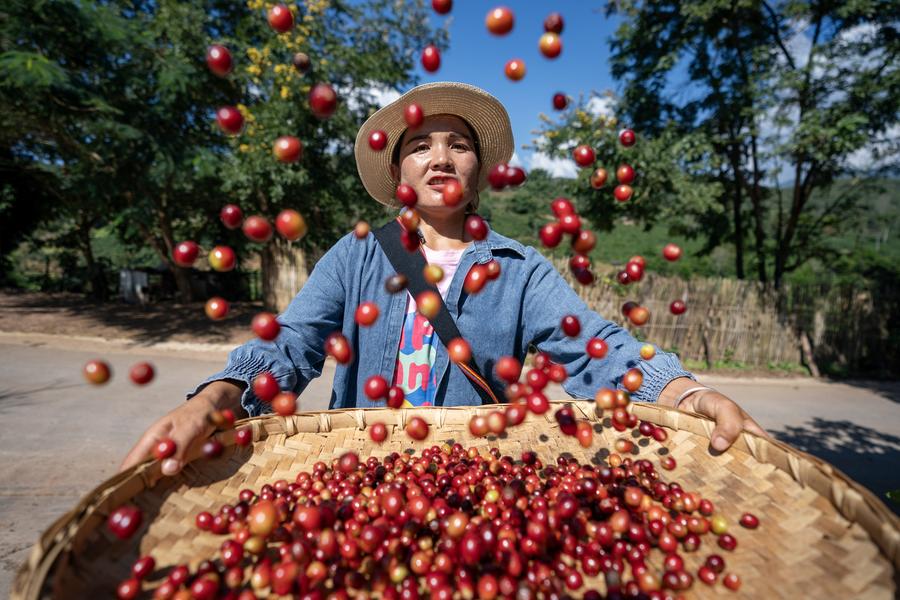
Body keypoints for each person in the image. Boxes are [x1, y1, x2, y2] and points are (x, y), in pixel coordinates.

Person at [120, 82, 766, 476]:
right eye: (421, 144)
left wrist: (684, 392)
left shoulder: (518, 269)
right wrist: (213, 400)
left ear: (480, 171)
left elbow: (597, 348)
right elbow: (289, 348)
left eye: (457, 144)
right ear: (401, 171)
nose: (440, 157)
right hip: (361, 470)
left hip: (471, 480)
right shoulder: (358, 256)